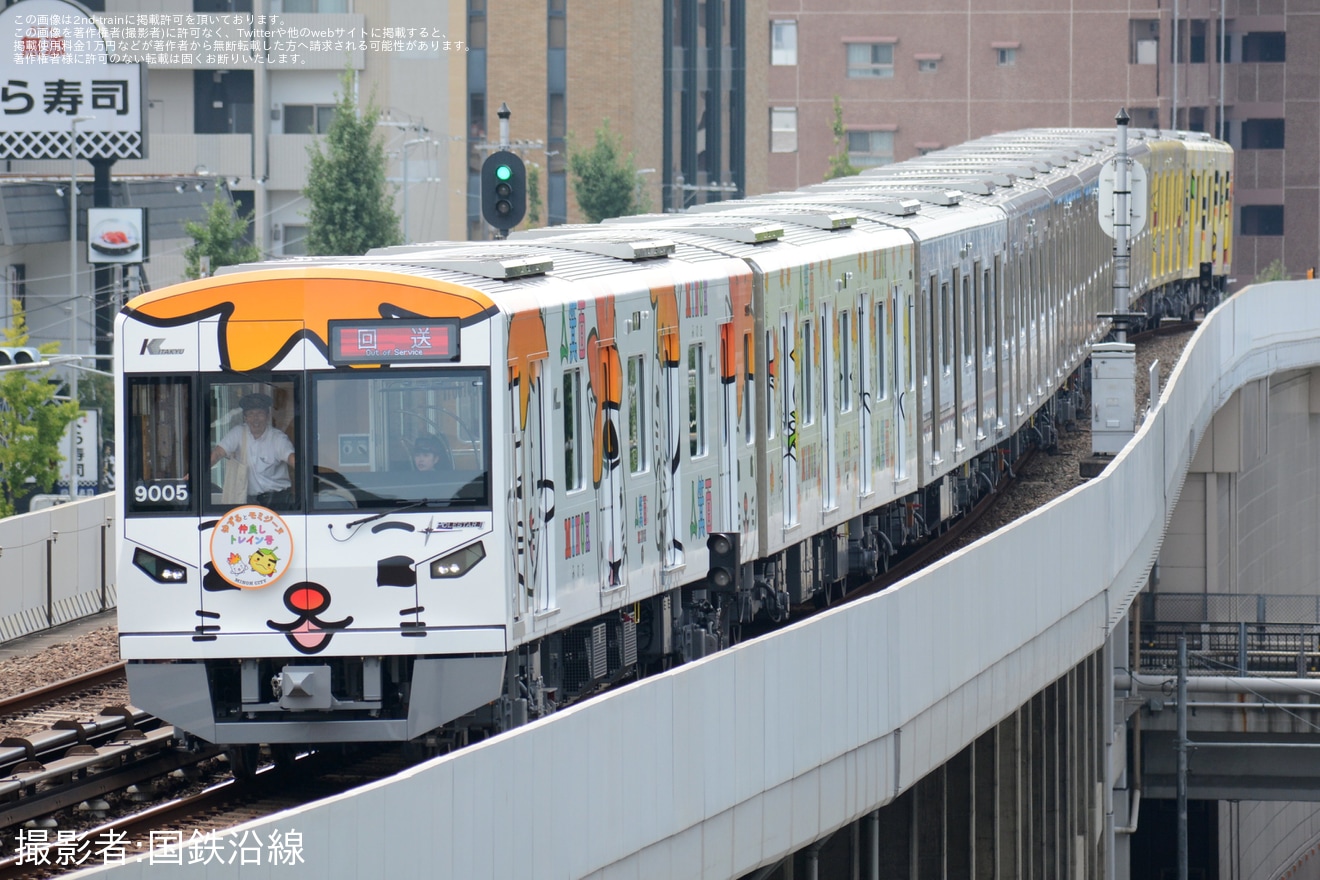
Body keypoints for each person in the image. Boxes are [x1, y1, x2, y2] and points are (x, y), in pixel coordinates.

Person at [211, 392, 296, 507]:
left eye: (260, 413)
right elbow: (218, 453)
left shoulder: (278, 438)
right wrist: (196, 473)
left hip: (277, 501)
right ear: (245, 418)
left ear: (267, 416)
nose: (255, 419)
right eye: (250, 414)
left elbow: (291, 458)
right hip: (248, 500)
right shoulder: (238, 433)